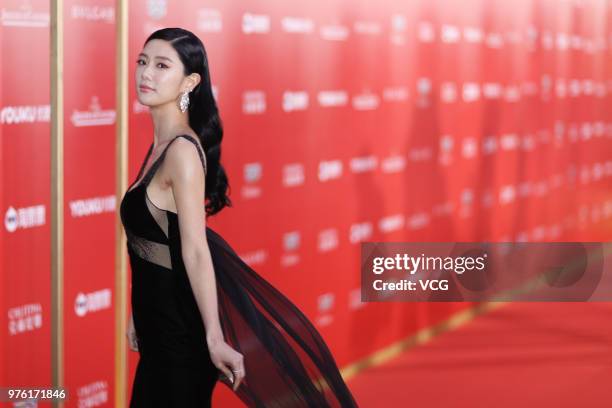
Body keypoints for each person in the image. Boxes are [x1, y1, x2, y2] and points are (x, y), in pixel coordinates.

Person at [119, 27, 358, 407]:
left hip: (180, 332)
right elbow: (158, 244)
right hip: (158, 325)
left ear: (190, 82)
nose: (146, 74)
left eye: (162, 65)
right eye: (142, 62)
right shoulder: (159, 146)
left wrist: (214, 336)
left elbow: (195, 250)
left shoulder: (181, 152)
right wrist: (137, 312)